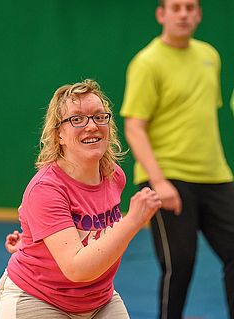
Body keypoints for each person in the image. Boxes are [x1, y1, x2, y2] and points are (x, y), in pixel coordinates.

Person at [0, 79, 162, 319]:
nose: (91, 126)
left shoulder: (114, 176)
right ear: (58, 134)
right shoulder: (46, 188)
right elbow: (77, 268)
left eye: (99, 116)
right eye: (77, 119)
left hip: (99, 300)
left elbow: (93, 231)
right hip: (39, 298)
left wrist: (33, 241)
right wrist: (133, 220)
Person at [120, 0, 234, 318]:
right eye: (176, 7)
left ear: (198, 14)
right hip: (168, 176)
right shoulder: (147, 62)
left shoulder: (210, 56)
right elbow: (134, 126)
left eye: (190, 7)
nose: (183, 13)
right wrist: (159, 181)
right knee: (179, 264)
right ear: (162, 15)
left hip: (216, 176)